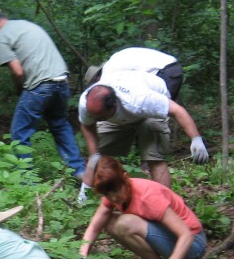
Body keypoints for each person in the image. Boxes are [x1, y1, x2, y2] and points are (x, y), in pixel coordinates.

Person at [0, 7, 86, 180]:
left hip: (40, 86)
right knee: (60, 125)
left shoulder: (1, 37)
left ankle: (27, 180)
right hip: (61, 81)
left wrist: (19, 89)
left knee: (19, 132)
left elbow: (18, 71)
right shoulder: (26, 25)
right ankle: (80, 172)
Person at [78, 156, 207, 259]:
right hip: (172, 238)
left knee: (125, 223)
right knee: (108, 221)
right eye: (107, 194)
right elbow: (94, 227)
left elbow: (186, 234)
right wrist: (82, 258)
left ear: (125, 178)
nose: (113, 198)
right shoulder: (114, 194)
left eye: (116, 191)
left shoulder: (148, 196)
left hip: (193, 246)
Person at [78, 69, 209, 190]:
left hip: (149, 112)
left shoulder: (142, 99)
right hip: (118, 114)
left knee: (154, 156)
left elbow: (177, 110)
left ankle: (164, 203)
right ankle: (88, 198)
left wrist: (196, 139)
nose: (97, 120)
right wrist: (94, 154)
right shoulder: (87, 104)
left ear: (113, 107)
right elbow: (87, 125)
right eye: (94, 116)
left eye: (100, 117)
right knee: (99, 155)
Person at [85, 46, 185, 100]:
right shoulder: (115, 60)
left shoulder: (107, 75)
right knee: (166, 111)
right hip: (174, 67)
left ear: (97, 80)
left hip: (163, 72)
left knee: (158, 114)